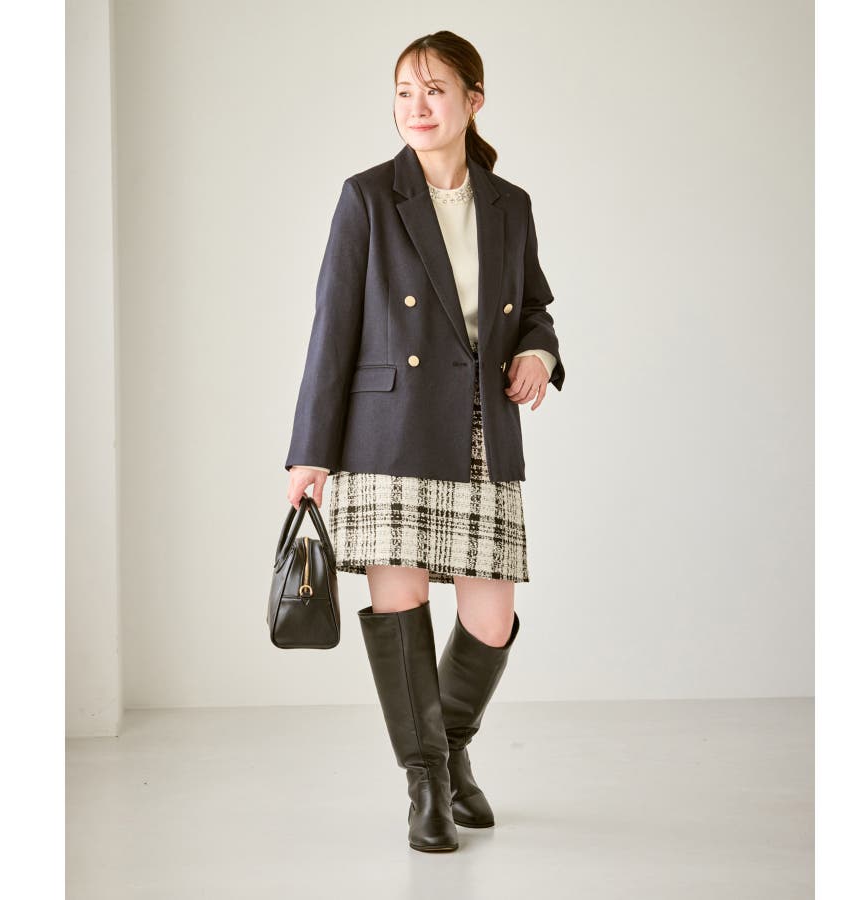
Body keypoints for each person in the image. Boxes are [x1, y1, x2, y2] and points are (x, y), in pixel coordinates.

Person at [284, 31, 565, 852]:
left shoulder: (509, 204)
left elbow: (535, 307)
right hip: (391, 429)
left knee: (490, 617)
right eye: (404, 91)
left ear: (473, 100)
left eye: (434, 90)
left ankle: (447, 748)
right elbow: (332, 330)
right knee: (400, 604)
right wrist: (310, 451)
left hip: (480, 428)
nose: (417, 106)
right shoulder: (369, 196)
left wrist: (539, 353)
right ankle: (428, 784)